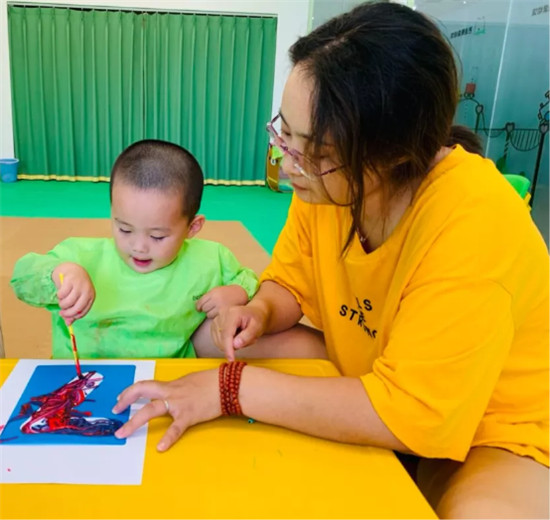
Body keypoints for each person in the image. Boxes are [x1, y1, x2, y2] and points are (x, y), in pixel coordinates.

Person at [112, 4, 549, 518]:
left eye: (312, 149)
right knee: (218, 339)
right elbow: (290, 286)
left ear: (388, 155)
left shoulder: (476, 220)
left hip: (489, 428)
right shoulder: (325, 187)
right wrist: (260, 312)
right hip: (371, 373)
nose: (285, 160)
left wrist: (230, 390)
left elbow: (416, 417)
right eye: (285, 131)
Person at [10, 140, 258, 359]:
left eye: (157, 236)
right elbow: (21, 277)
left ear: (192, 227)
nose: (139, 247)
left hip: (168, 379)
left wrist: (237, 292)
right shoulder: (82, 256)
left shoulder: (211, 258)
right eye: (125, 230)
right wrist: (60, 272)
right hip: (81, 380)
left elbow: (250, 280)